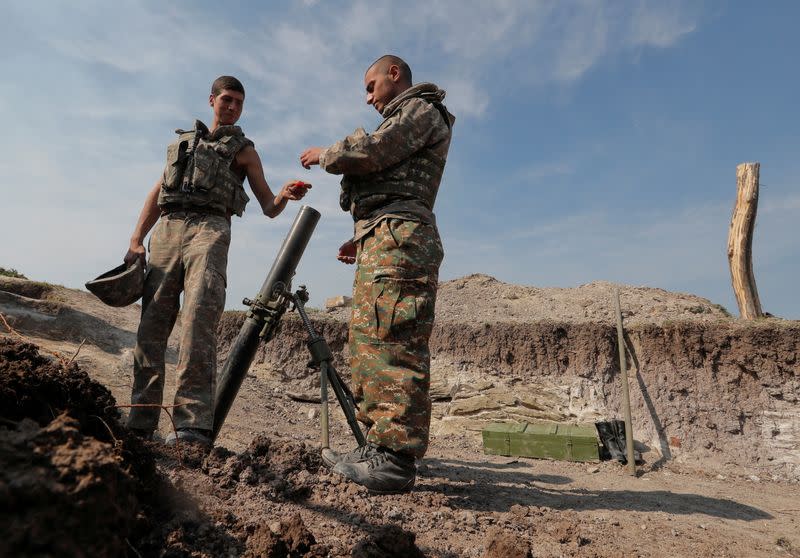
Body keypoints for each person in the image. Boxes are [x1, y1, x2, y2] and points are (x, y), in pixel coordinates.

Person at [125, 75, 310, 447]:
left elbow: (268, 206)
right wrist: (135, 240)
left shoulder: (244, 150)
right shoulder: (182, 143)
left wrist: (285, 195)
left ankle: (191, 426)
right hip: (168, 227)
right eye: (227, 100)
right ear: (212, 100)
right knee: (151, 326)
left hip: (209, 230)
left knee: (198, 321)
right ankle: (141, 421)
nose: (232, 107)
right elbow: (157, 191)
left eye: (239, 103)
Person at [300, 55, 454, 493]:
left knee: (392, 340)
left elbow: (372, 152)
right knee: (367, 342)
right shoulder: (406, 117)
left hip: (401, 238)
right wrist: (362, 235)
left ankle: (395, 459)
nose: (368, 98)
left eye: (371, 87)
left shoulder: (421, 111)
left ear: (394, 75)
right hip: (384, 236)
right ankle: (378, 447)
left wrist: (324, 154)